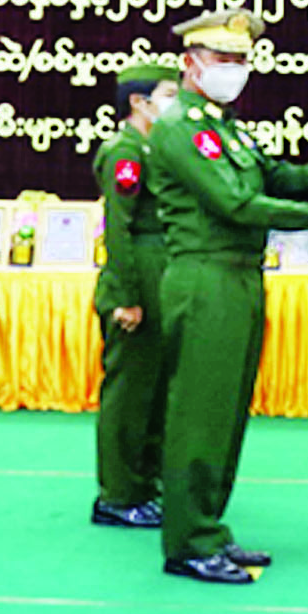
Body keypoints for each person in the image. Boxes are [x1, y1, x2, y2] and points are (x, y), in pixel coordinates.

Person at [148, 10, 308, 584]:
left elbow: (273, 179)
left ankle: (209, 528)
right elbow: (237, 205)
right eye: (223, 59)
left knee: (226, 415)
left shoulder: (225, 128)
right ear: (190, 63)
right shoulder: (181, 127)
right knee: (199, 415)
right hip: (205, 278)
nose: (234, 69)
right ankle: (188, 542)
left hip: (238, 277)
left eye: (241, 60)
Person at [91, 64, 181, 529]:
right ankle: (119, 494)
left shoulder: (154, 147)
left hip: (159, 270)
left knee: (155, 390)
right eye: (169, 93)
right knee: (129, 393)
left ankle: (145, 484)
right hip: (137, 274)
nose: (177, 102)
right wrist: (126, 295)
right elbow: (119, 228)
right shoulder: (124, 151)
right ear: (139, 102)